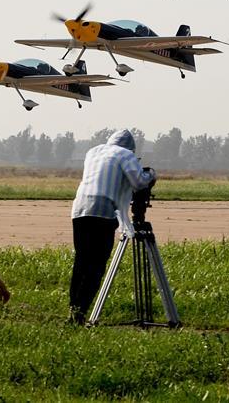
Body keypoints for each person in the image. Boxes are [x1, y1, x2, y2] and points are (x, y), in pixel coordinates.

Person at [69, 129, 156, 324]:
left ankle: (74, 309)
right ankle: (82, 312)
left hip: (80, 210)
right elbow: (138, 182)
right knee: (96, 265)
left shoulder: (93, 152)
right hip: (104, 211)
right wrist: (151, 174)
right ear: (131, 149)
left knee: (81, 262)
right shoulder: (126, 154)